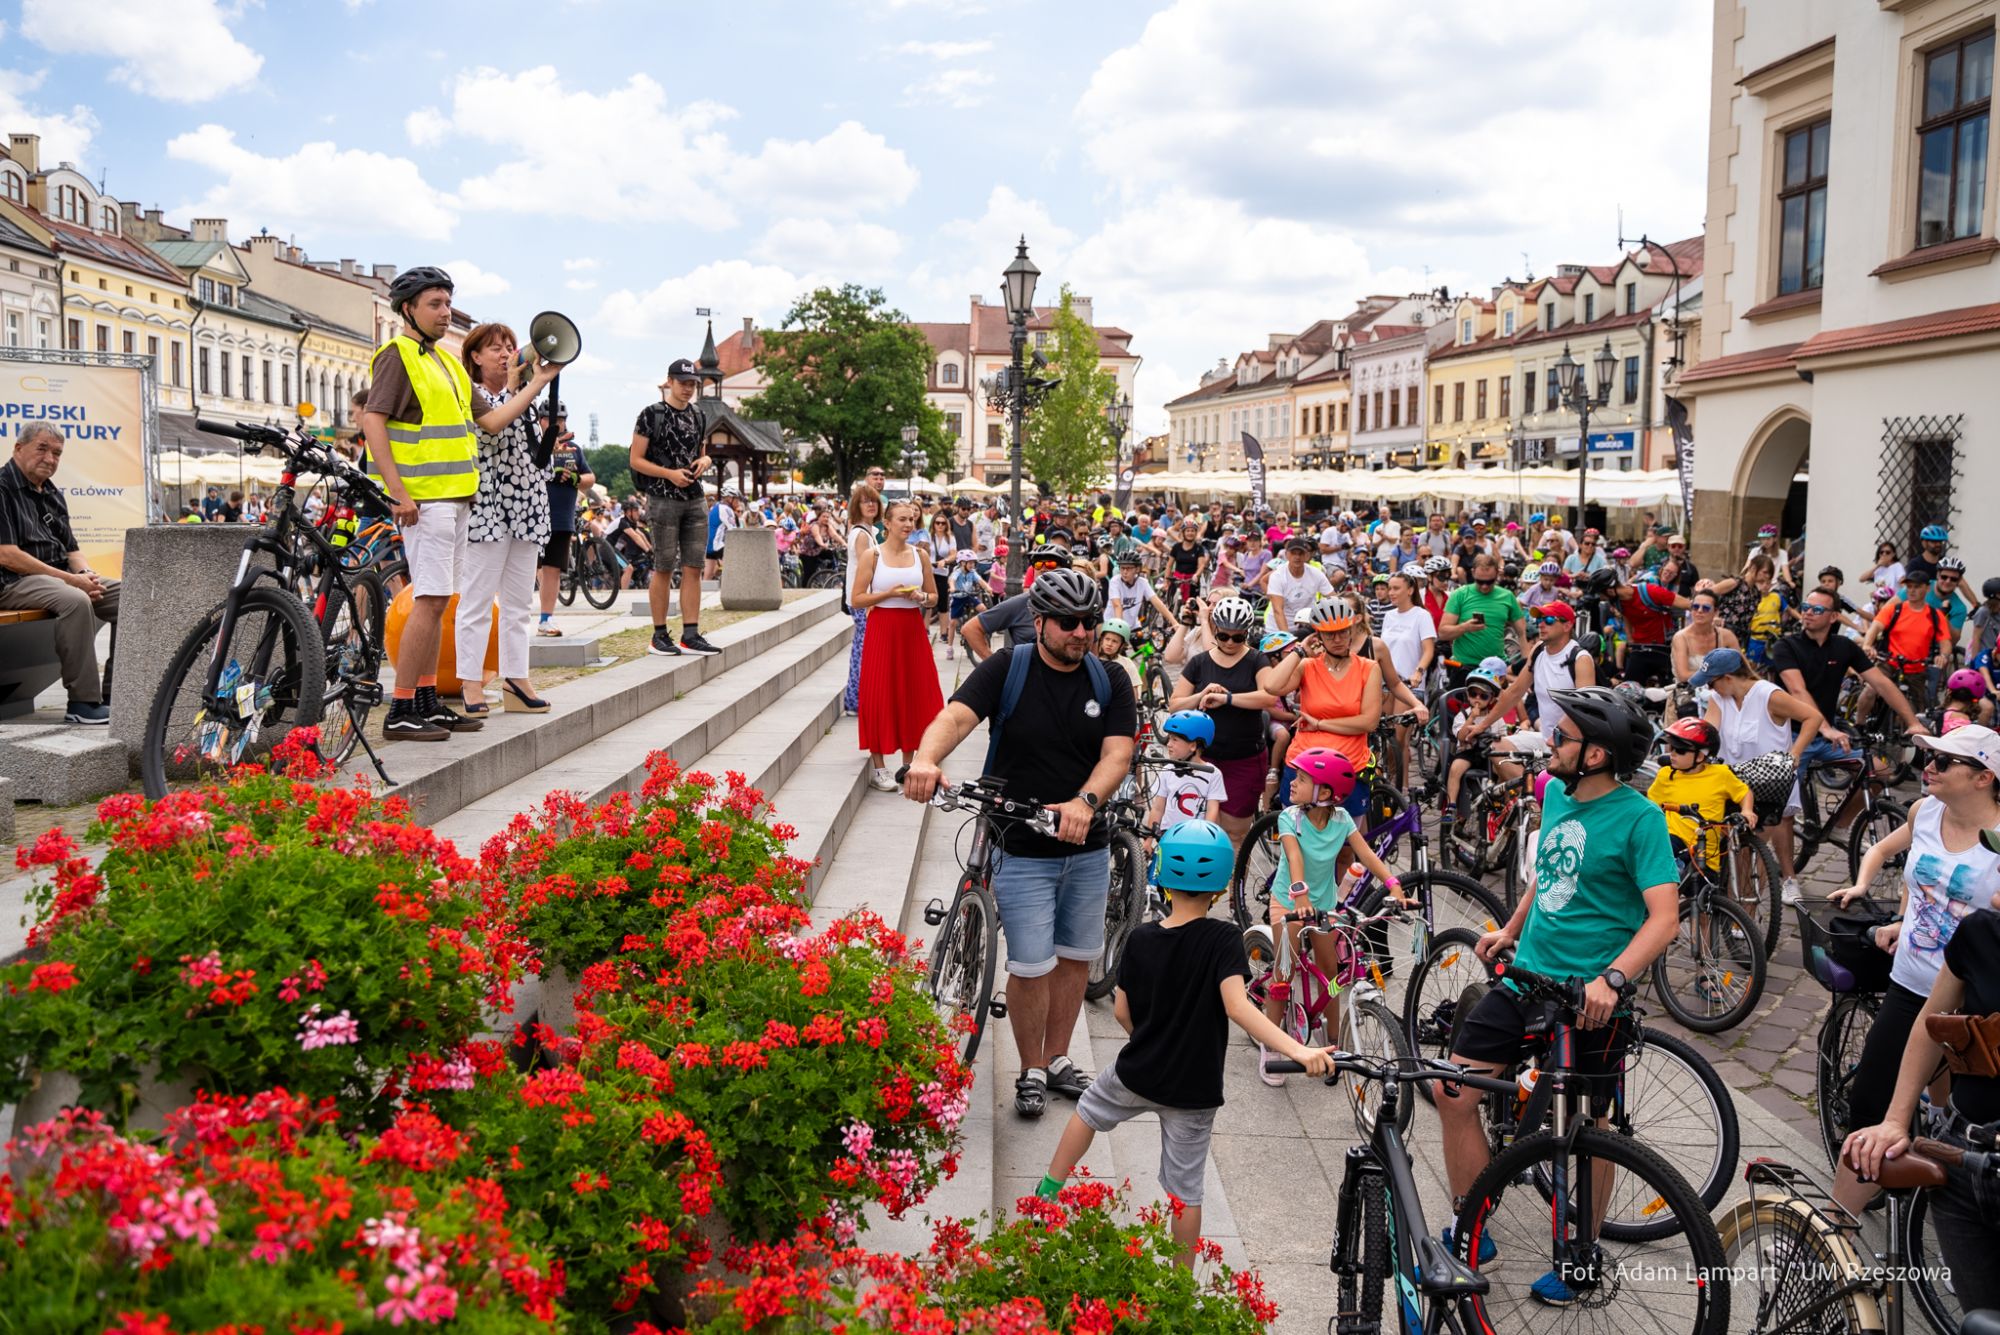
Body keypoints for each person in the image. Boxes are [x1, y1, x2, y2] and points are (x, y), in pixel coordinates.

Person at [1442, 687, 1680, 1300]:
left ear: (1596, 755)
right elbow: (1548, 875)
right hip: (1528, 977)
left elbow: (1663, 919)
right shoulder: (1554, 794)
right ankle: (1472, 1230)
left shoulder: (1640, 818)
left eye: (1563, 737)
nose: (1550, 743)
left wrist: (1613, 980)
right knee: (1454, 1091)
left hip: (1591, 997)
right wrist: (1511, 931)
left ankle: (1582, 1255)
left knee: (1587, 1127)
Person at [1035, 819, 1334, 1261]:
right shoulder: (1222, 938)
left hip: (1138, 1071)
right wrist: (1297, 1049)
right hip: (1193, 1089)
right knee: (1185, 1191)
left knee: (1089, 1111)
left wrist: (1151, 1041)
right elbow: (1237, 1006)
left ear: (1161, 876)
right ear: (1219, 887)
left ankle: (1048, 1192)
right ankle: (1178, 1283)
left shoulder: (1139, 939)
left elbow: (1121, 1010)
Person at [902, 569, 1138, 1118]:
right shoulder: (1010, 667)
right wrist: (925, 758)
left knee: (1077, 957)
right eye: (1068, 623)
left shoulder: (1111, 680)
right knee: (1031, 964)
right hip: (1019, 841)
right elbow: (956, 716)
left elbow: (1117, 755)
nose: (1081, 633)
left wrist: (1086, 803)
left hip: (1087, 843)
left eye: (1089, 623)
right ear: (1040, 623)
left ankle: (1059, 1058)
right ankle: (1031, 1067)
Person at [1830, 726, 2000, 1228]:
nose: (1928, 767)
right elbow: (1917, 880)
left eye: (1945, 762)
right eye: (1929, 757)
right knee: (1871, 1102)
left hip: (1974, 1001)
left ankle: (1950, 1205)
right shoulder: (1924, 811)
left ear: (1984, 777)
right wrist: (1903, 920)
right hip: (1912, 983)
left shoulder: (1998, 838)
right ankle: (1832, 1240)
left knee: (1957, 1115)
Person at [1841, 906, 2000, 1313]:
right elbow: (1930, 1021)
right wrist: (1896, 1119)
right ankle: (1832, 1240)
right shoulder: (1980, 931)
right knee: (1979, 1317)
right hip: (1962, 1165)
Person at [361, 266, 485, 741]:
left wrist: (540, 378)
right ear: (407, 308)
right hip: (424, 501)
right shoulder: (396, 356)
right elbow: (374, 422)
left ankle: (428, 701)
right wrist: (398, 492)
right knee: (429, 600)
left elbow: (488, 419)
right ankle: (401, 709)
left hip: (454, 497)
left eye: (448, 303)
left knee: (440, 601)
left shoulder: (445, 360)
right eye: (435, 304)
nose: (445, 312)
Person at [1256, 748, 1408, 1084]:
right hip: (1289, 902)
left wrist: (1393, 884)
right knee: (1284, 974)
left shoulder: (1340, 820)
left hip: (1324, 905)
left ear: (1325, 793)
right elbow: (1293, 856)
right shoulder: (1289, 817)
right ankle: (1272, 1046)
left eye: (1301, 779)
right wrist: (1301, 895)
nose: (1292, 783)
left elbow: (1366, 853)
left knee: (1333, 974)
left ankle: (1334, 1045)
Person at [456, 322, 562, 715]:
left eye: (510, 347)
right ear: (475, 358)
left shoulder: (523, 398)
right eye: (496, 348)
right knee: (477, 601)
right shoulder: (471, 394)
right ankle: (470, 682)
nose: (505, 354)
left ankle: (517, 678)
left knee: (519, 603)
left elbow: (539, 456)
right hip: (488, 507)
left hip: (526, 507)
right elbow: (493, 427)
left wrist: (531, 387)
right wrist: (530, 386)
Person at [0, 426, 120, 724]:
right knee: (75, 600)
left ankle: (117, 693)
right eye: (42, 448)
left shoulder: (51, 493)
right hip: (11, 581)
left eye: (56, 453)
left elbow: (72, 548)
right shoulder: (2, 487)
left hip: (55, 577)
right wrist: (71, 581)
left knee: (129, 596)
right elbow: (7, 555)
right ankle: (83, 703)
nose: (50, 458)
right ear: (18, 448)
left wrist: (87, 575)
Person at [1695, 646, 1822, 901]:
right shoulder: (1719, 699)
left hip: (1769, 782)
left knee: (1752, 846)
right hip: (1735, 781)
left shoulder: (1768, 695)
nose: (1709, 689)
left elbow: (1812, 717)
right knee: (1738, 848)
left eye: (1712, 683)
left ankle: (1751, 907)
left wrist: (1794, 754)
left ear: (1728, 678)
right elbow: (1707, 732)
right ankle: (1740, 903)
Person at [1169, 595, 1279, 846]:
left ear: (1247, 634)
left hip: (1244, 757)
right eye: (1224, 636)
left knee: (1236, 833)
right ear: (1215, 630)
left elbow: (1268, 697)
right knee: (1198, 829)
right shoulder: (1200, 662)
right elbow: (1174, 703)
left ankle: (1233, 885)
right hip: (1203, 758)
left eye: (1238, 637)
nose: (1230, 642)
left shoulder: (1256, 660)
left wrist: (1228, 698)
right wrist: (1202, 694)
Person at [631, 359, 720, 657]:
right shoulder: (651, 414)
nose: (688, 388)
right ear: (669, 381)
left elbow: (702, 452)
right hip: (662, 496)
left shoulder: (698, 414)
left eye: (692, 384)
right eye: (683, 382)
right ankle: (658, 635)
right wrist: (670, 474)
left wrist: (705, 461)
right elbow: (636, 460)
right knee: (663, 567)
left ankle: (690, 633)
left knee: (694, 567)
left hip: (694, 497)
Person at [853, 498, 943, 792]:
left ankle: (908, 764)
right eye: (902, 519)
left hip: (911, 629)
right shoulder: (872, 555)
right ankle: (879, 768)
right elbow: (857, 599)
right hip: (882, 627)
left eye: (911, 519)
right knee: (879, 692)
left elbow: (934, 597)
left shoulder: (921, 555)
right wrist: (887, 593)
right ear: (887, 524)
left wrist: (920, 598)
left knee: (915, 692)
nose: (908, 524)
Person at [1261, 599, 1380, 818]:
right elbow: (1271, 686)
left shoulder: (1368, 668)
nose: (1337, 639)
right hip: (1304, 764)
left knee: (1345, 848)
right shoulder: (1308, 666)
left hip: (1349, 765)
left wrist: (1320, 724)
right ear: (1318, 636)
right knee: (1298, 838)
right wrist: (1299, 651)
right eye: (1329, 634)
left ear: (1351, 630)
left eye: (1342, 632)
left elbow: (1369, 722)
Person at [1647, 717, 1757, 872]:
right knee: (1664, 849)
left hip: (1705, 851)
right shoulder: (1666, 775)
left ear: (1700, 756)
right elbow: (1651, 808)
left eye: (1680, 750)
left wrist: (1747, 810)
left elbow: (1744, 792)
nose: (1672, 754)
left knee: (1705, 889)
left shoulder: (1720, 775)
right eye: (1671, 748)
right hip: (1674, 840)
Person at [537, 406, 594, 637]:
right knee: (526, 566)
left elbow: (590, 478)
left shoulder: (573, 449)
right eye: (551, 419)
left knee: (552, 569)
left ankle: (546, 618)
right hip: (534, 515)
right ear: (540, 421)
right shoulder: (533, 446)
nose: (556, 423)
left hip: (561, 516)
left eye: (560, 419)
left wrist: (575, 478)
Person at [1437, 553, 1525, 691]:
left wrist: (1527, 667)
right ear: (1472, 573)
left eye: (1490, 582)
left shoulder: (1507, 596)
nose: (1484, 586)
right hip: (1465, 667)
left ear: (1498, 574)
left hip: (1496, 668)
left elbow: (1522, 634)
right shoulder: (1460, 595)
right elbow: (1442, 633)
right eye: (1479, 581)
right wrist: (1465, 627)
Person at [1146, 710, 1224, 840]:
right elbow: (1157, 809)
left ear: (1193, 746)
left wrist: (1206, 839)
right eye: (1169, 738)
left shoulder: (1213, 774)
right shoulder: (1167, 770)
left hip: (1197, 839)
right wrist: (1148, 840)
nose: (1168, 744)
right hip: (1168, 838)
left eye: (1174, 739)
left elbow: (1212, 811)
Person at [841, 483, 884, 712]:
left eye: (874, 501)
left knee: (861, 647)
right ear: (856, 506)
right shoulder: (861, 534)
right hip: (863, 599)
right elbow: (865, 569)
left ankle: (855, 699)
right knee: (862, 649)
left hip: (863, 598)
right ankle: (855, 701)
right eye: (865, 501)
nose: (871, 505)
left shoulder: (866, 532)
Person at [1258, 535, 1334, 631]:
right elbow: (1278, 611)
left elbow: (1333, 599)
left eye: (1301, 553)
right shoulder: (1278, 576)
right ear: (1287, 554)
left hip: (1307, 625)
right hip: (1277, 628)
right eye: (1293, 553)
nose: (1297, 557)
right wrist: (1288, 639)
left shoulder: (1316, 573)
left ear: (1306, 555)